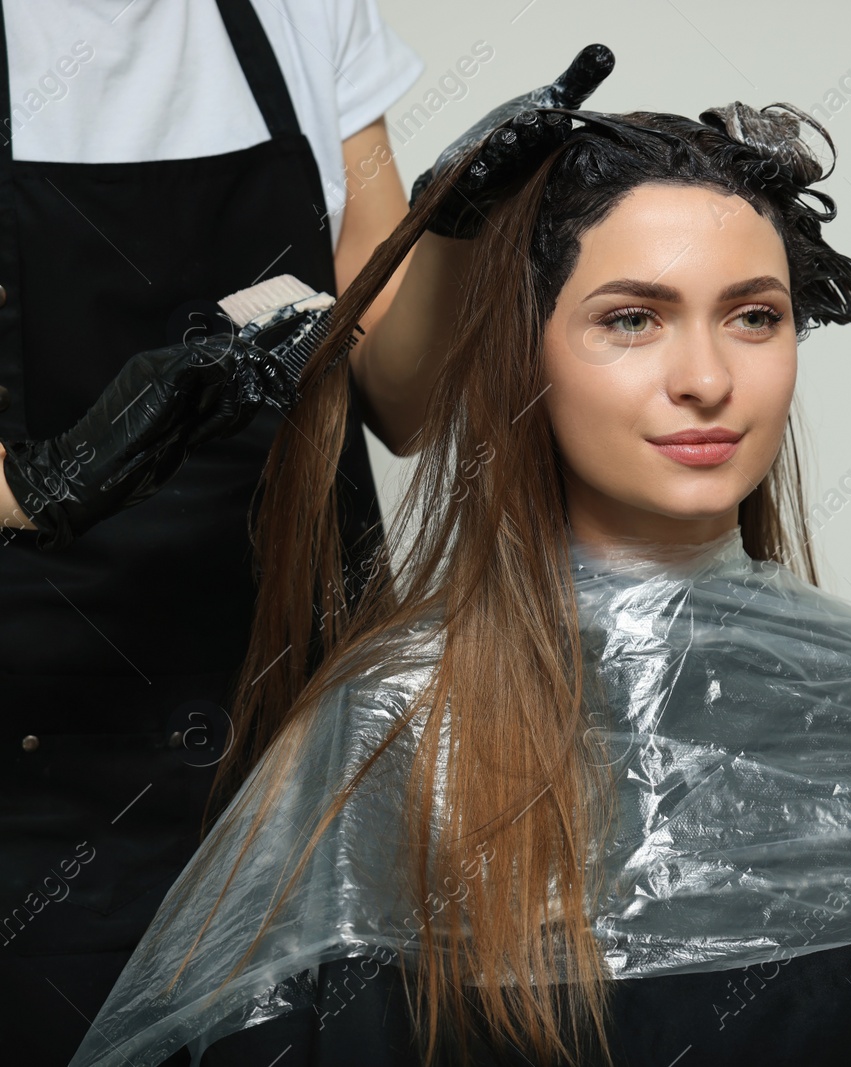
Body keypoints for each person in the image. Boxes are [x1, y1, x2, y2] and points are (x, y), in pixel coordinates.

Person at [70, 97, 851, 1066]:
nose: (707, 377)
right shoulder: (394, 731)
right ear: (521, 351)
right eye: (632, 319)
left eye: (753, 316)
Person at [0, 1, 601, 1060]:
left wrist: (449, 223)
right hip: (39, 761)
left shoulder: (300, 11)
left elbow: (401, 401)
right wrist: (41, 486)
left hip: (300, 736)